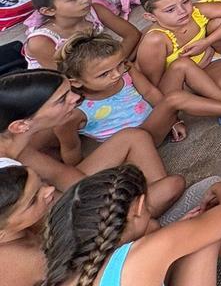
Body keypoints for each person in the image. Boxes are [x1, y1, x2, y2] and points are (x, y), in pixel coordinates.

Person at [41, 164, 221, 286]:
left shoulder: (59, 272)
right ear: (139, 206)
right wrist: (219, 187)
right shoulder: (141, 256)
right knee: (209, 235)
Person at [0, 69, 184, 213]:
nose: (76, 98)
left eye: (69, 92)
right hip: (59, 227)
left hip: (66, 202)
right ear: (20, 126)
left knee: (135, 137)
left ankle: (144, 212)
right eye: (62, 100)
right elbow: (48, 218)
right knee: (170, 188)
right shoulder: (7, 174)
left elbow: (62, 175)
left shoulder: (14, 144)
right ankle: (141, 221)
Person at [60, 33, 221, 142]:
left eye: (119, 65)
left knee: (182, 65)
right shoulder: (77, 110)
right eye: (104, 74)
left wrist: (172, 119)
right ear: (76, 82)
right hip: (142, 136)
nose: (116, 74)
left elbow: (150, 92)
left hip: (157, 115)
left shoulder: (125, 71)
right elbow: (71, 150)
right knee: (175, 98)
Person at [22, 0, 140, 70]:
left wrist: (112, 64)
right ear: (49, 11)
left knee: (150, 35)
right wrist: (111, 67)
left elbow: (133, 34)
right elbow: (63, 78)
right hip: (67, 84)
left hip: (99, 65)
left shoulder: (95, 10)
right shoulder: (41, 41)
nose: (85, 0)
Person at [0, 164, 53, 286]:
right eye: (33, 201)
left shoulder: (16, 229)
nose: (49, 189)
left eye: (41, 181)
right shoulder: (30, 259)